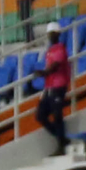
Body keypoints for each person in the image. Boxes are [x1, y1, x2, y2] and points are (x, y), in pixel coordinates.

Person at [37, 23, 72, 156]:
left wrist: (43, 73)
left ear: (58, 34)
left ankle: (61, 144)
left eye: (52, 33)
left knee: (57, 115)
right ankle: (62, 138)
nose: (50, 36)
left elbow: (55, 66)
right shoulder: (50, 50)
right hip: (49, 87)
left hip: (58, 85)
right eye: (49, 33)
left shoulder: (60, 49)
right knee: (40, 115)